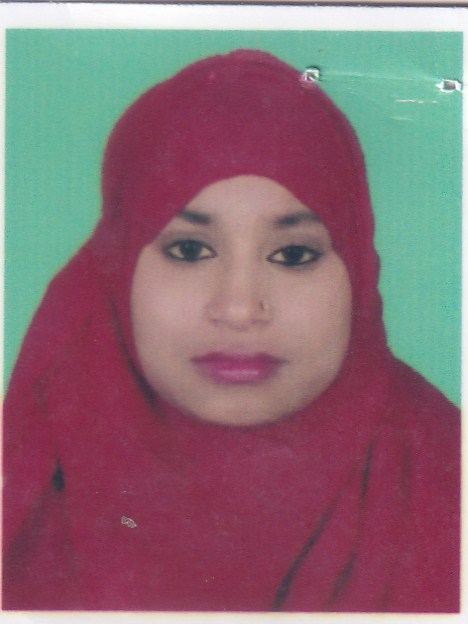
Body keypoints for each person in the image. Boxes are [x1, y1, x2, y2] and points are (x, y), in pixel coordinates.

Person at [2, 49, 460, 612]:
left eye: (293, 255)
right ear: (116, 271)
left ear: (360, 274)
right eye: (189, 250)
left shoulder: (447, 478)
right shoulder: (25, 493)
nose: (240, 309)